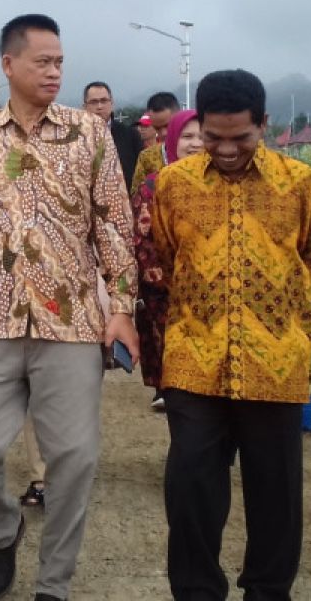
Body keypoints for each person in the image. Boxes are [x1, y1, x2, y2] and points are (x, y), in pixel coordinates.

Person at [0, 14, 139, 601]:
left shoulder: (89, 133)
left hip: (72, 321)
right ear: (8, 65)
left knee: (73, 457)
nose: (54, 72)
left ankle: (54, 581)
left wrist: (122, 307)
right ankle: (3, 532)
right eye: (42, 62)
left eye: (59, 62)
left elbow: (113, 225)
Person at [152, 69, 311, 601]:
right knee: (191, 486)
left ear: (264, 125)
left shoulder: (299, 183)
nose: (226, 149)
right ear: (198, 126)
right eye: (213, 137)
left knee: (276, 492)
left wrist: (276, 322)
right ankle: (197, 590)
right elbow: (166, 254)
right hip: (193, 357)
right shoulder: (174, 184)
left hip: (274, 361)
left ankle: (269, 591)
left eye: (241, 138)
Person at [130, 109, 203, 411]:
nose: (196, 144)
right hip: (165, 297)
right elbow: (142, 242)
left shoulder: (225, 187)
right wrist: (175, 284)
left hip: (213, 297)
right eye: (187, 136)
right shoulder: (152, 186)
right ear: (171, 140)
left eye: (203, 136)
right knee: (176, 377)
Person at [83, 81, 144, 189]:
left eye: (104, 101)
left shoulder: (130, 135)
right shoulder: (76, 137)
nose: (99, 106)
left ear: (112, 104)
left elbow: (141, 172)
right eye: (93, 102)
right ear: (84, 106)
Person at [131, 92, 182, 195]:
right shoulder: (146, 157)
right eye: (157, 128)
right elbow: (137, 195)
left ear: (180, 116)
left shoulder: (199, 150)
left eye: (168, 126)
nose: (163, 133)